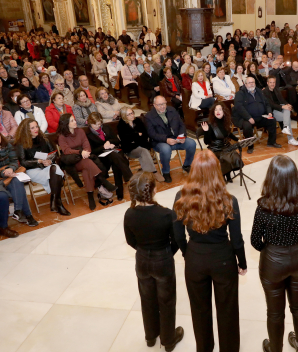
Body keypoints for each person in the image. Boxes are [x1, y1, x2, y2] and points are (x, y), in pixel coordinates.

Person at [173, 150, 246, 352]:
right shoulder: (229, 200)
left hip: (195, 259)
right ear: (217, 171)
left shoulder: (181, 197)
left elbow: (178, 235)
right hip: (223, 259)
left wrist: (188, 253)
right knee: (228, 311)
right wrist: (242, 262)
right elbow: (237, 239)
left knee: (199, 311)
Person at [251, 155, 298, 352]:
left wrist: (269, 250)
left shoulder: (264, 206)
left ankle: (275, 348)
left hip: (273, 262)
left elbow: (255, 240)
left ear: (271, 178)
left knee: (275, 312)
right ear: (295, 177)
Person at [123, 172, 184, 351]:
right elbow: (177, 241)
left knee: (147, 299)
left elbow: (130, 241)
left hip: (141, 260)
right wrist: (166, 253)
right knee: (167, 301)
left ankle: (150, 337)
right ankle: (168, 340)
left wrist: (144, 251)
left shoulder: (129, 213)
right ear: (154, 190)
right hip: (163, 260)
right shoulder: (166, 214)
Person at [0, 126, 38, 227]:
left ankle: (19, 211)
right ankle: (26, 215)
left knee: (17, 181)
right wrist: (3, 173)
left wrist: (11, 169)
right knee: (19, 187)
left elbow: (14, 161)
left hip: (11, 174)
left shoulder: (7, 145)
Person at [57, 113, 117, 210]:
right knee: (88, 163)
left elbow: (87, 145)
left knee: (86, 169)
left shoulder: (80, 131)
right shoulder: (62, 136)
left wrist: (85, 152)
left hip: (85, 158)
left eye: (74, 119)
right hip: (74, 162)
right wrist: (80, 152)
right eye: (72, 121)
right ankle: (103, 181)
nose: (75, 122)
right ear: (66, 124)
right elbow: (66, 150)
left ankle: (90, 197)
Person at [15, 119, 69, 215]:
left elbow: (55, 154)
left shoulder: (44, 139)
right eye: (32, 128)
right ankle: (58, 203)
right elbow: (23, 162)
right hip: (33, 169)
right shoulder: (21, 143)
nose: (36, 129)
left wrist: (50, 160)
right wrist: (38, 161)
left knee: (55, 169)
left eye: (36, 126)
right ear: (26, 130)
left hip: (48, 166)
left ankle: (56, 201)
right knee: (57, 174)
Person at [145, 96, 196, 183]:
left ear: (166, 102)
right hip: (160, 142)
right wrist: (166, 139)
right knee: (165, 149)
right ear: (154, 105)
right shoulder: (149, 116)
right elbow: (151, 134)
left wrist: (182, 136)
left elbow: (181, 124)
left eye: (163, 104)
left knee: (192, 143)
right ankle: (166, 171)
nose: (162, 106)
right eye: (159, 105)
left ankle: (187, 165)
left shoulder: (172, 110)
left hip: (176, 138)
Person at [85, 112, 133, 201]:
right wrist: (103, 147)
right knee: (116, 157)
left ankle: (120, 191)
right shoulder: (88, 134)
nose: (97, 126)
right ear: (90, 123)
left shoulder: (106, 127)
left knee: (116, 162)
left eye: (99, 124)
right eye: (95, 125)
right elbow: (91, 151)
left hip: (114, 152)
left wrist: (110, 142)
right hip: (102, 157)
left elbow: (117, 140)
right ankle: (129, 177)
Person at [232, 76, 282, 154]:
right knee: (247, 126)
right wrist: (248, 117)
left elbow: (267, 103)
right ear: (245, 84)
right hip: (246, 118)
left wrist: (269, 112)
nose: (252, 84)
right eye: (249, 83)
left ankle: (271, 142)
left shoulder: (259, 91)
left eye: (253, 82)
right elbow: (239, 107)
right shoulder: (240, 93)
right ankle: (250, 146)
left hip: (260, 116)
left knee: (272, 120)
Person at [117, 107, 164, 182]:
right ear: (124, 116)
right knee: (143, 151)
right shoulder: (121, 125)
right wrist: (137, 135)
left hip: (142, 145)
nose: (132, 115)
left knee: (143, 152)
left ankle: (147, 175)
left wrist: (134, 137)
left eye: (132, 113)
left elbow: (145, 135)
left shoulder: (138, 121)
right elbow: (125, 139)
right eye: (129, 114)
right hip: (130, 149)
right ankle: (154, 172)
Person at [201, 103, 241, 183]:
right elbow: (206, 142)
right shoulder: (211, 124)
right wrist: (206, 131)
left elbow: (229, 134)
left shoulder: (225, 122)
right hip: (215, 148)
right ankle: (223, 176)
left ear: (224, 112)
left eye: (220, 109)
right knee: (225, 158)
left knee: (235, 156)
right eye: (215, 110)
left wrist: (238, 139)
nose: (217, 111)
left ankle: (228, 175)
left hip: (225, 145)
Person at [262, 76, 298, 146]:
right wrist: (283, 106)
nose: (272, 84)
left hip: (280, 109)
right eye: (271, 82)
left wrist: (287, 104)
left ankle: (285, 128)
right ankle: (290, 138)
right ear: (267, 83)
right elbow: (271, 104)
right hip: (271, 111)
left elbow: (282, 100)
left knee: (287, 110)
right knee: (287, 117)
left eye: (274, 82)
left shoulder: (276, 90)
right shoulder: (264, 92)